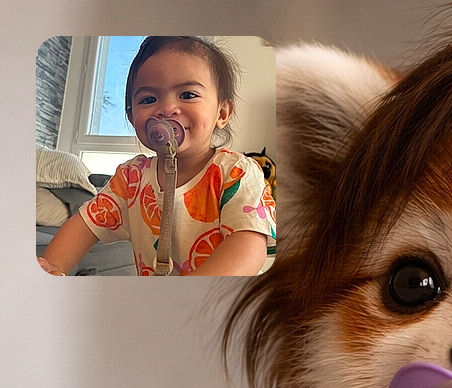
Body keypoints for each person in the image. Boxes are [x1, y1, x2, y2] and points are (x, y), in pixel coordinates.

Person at [38, 36, 276, 277]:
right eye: (148, 99)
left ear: (222, 113)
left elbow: (249, 243)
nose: (166, 109)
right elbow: (83, 226)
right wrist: (52, 268)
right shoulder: (131, 178)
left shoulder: (237, 172)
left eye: (187, 94)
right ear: (133, 118)